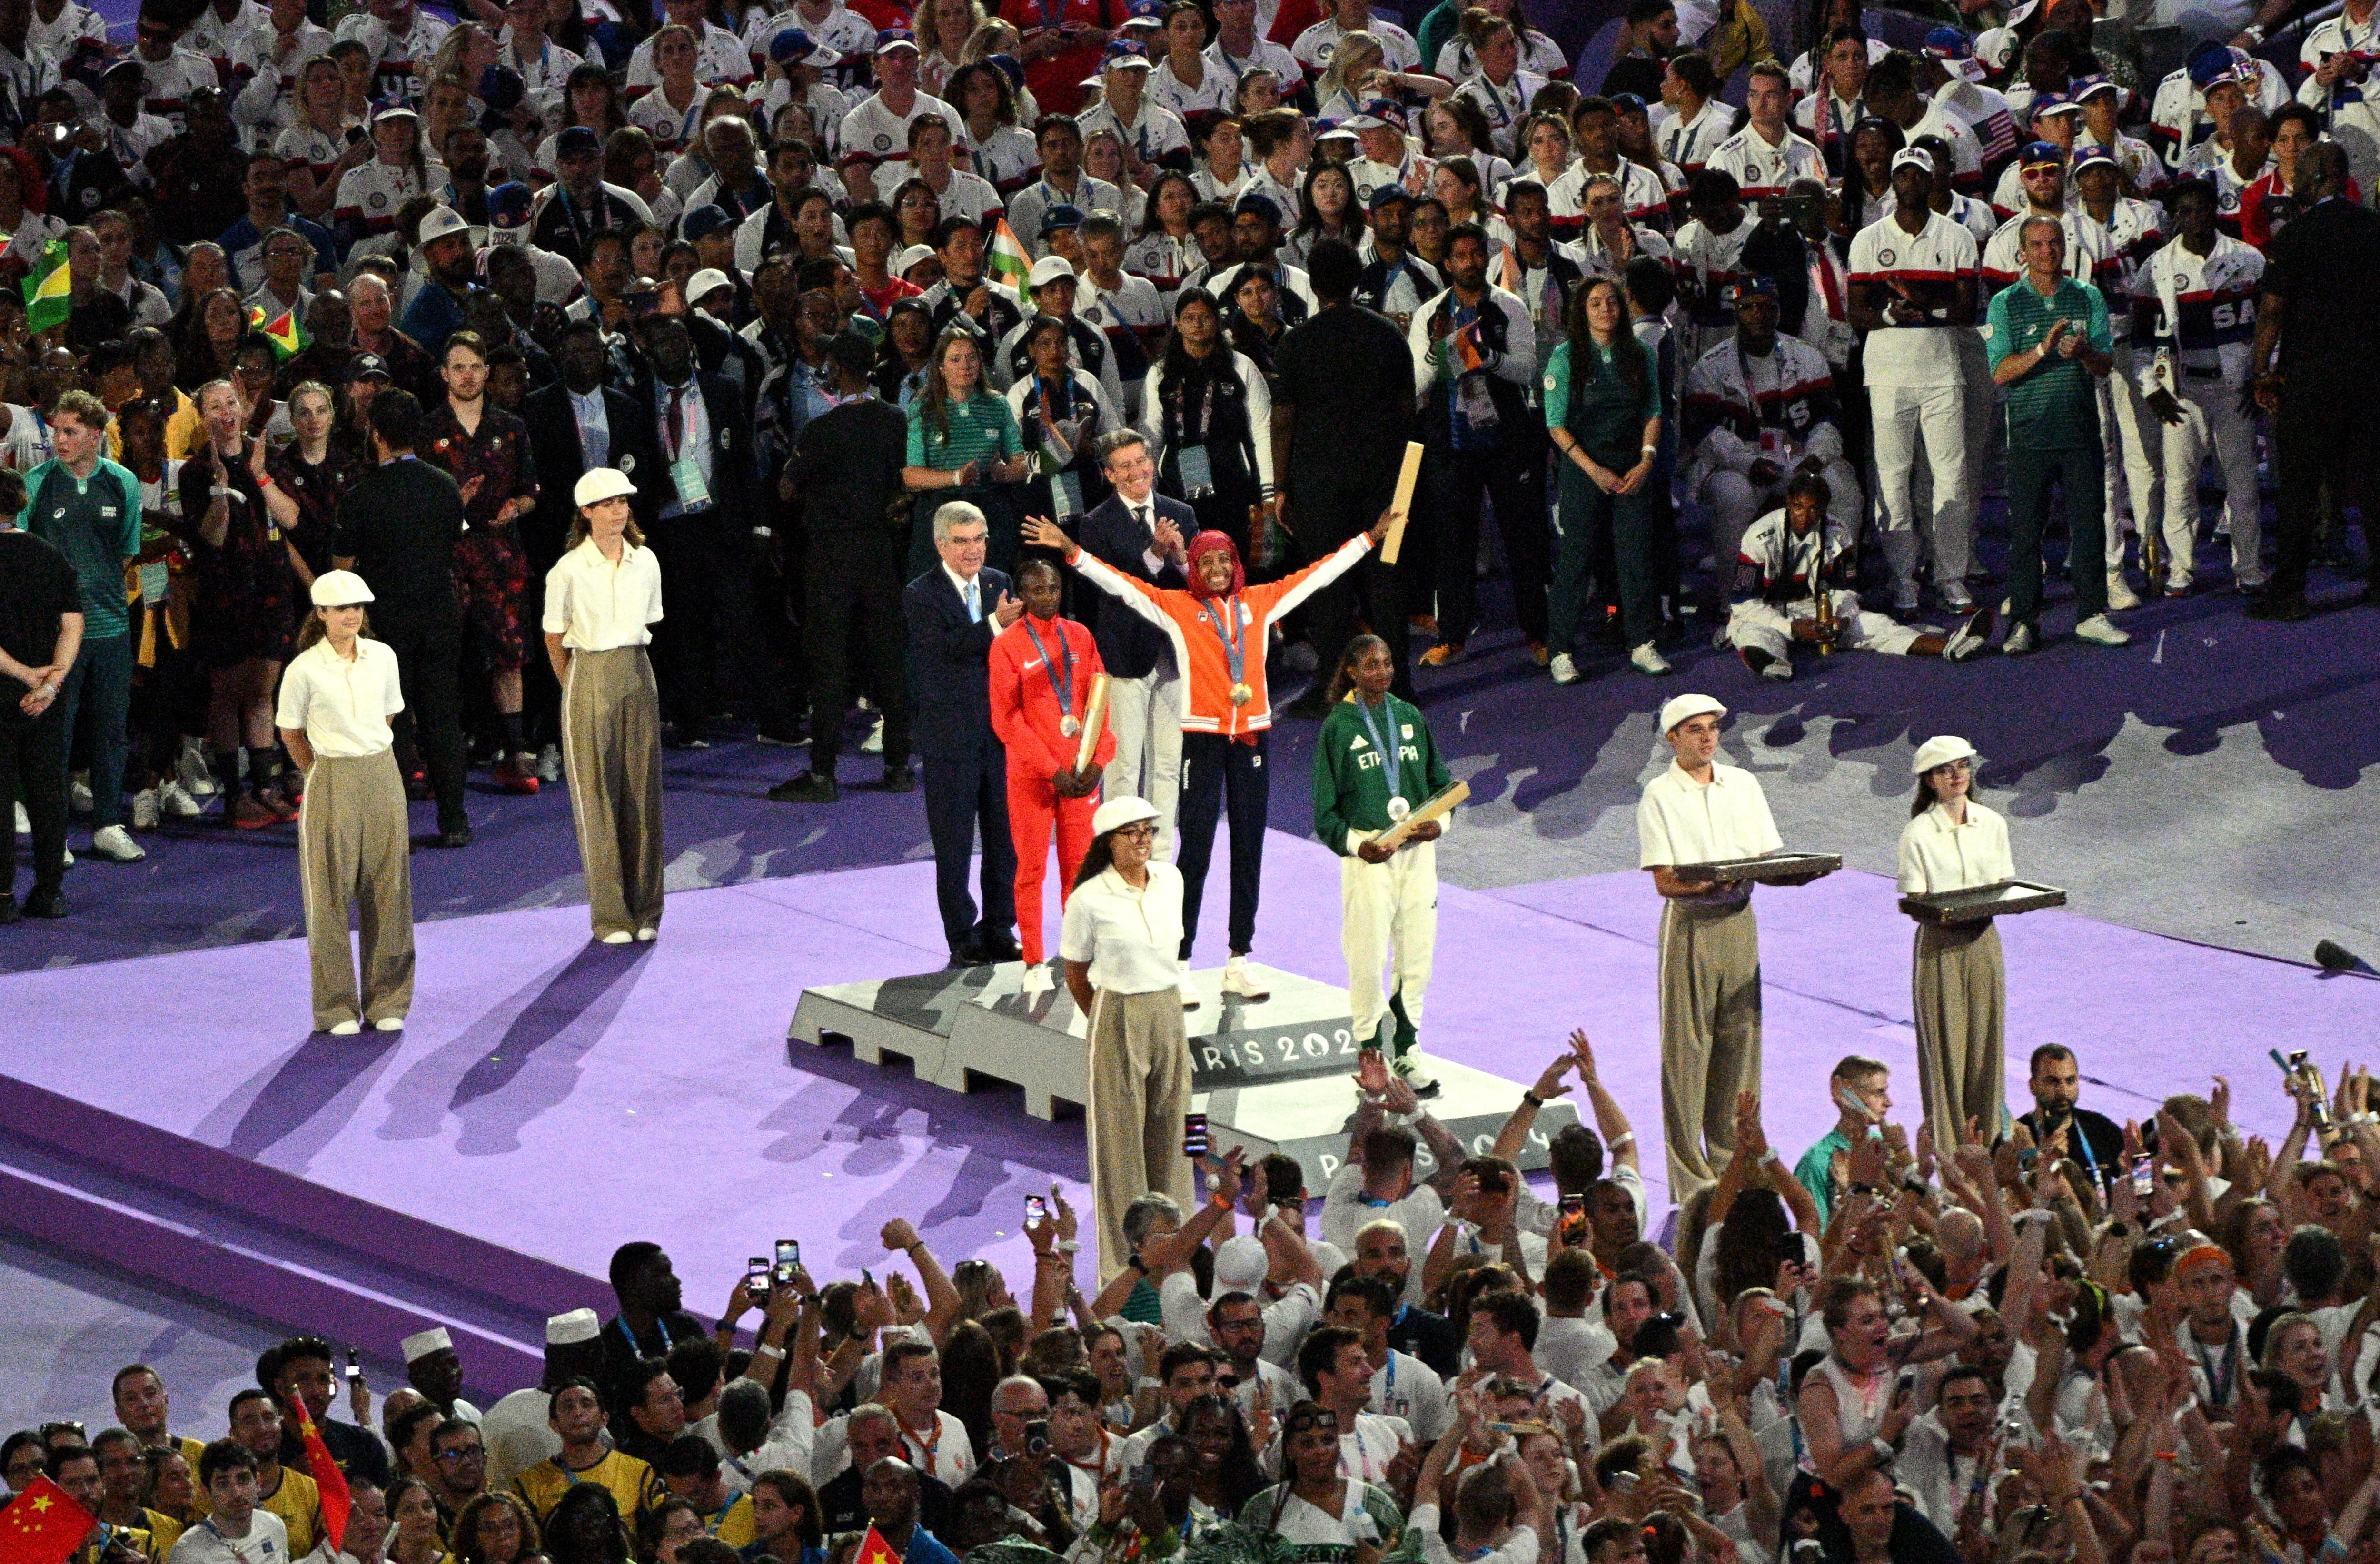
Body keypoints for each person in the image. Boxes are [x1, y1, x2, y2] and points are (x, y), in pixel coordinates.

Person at [1024, 504, 1396, 1002]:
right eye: (1206, 564)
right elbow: (1121, 584)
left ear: (1235, 564)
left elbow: (1317, 575)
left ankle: (1238, 959)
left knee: (1248, 849)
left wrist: (1368, 540)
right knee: (1193, 850)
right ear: (1193, 569)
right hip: (1201, 740)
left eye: (1224, 561)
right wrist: (1071, 552)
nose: (1217, 571)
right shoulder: (1177, 608)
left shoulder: (1261, 602)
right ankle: (1179, 961)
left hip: (1252, 738)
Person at [1637, 693, 1827, 1200]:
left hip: (1740, 921)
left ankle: (1733, 1164)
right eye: (1694, 729)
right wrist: (1702, 888)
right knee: (1687, 1051)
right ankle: (1690, 1180)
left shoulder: (1742, 785)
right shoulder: (1658, 794)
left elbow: (1764, 863)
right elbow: (1663, 881)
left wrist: (1796, 876)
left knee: (1741, 1044)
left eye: (1713, 728)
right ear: (1672, 738)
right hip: (1691, 927)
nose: (1707, 737)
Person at [771, 328, 915, 804]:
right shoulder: (896, 421)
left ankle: (822, 775)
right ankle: (897, 767)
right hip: (881, 554)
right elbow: (907, 481)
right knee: (891, 659)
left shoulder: (821, 430)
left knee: (829, 663)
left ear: (835, 370)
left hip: (831, 558)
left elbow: (787, 489)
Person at [1272, 239, 1416, 707]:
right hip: (1385, 481)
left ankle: (1335, 693)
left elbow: (1283, 420)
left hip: (1318, 484)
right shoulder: (1387, 335)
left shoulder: (1295, 343)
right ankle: (1398, 688)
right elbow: (1406, 411)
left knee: (1329, 587)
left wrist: (1278, 488)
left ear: (1312, 285)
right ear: (1358, 279)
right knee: (1388, 584)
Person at [274, 568, 414, 1035]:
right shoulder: (304, 669)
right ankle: (335, 1007)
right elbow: (290, 731)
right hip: (330, 776)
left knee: (388, 889)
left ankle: (387, 1000)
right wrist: (322, 769)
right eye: (341, 609)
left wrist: (365, 753)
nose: (351, 615)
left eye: (357, 607)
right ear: (321, 614)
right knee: (329, 895)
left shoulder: (384, 657)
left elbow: (389, 714)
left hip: (381, 771)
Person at [1057, 794, 1192, 1277]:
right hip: (1117, 1012)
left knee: (1175, 1133)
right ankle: (1121, 1271)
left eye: (1148, 831)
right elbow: (1076, 972)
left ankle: (1179, 1257)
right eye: (1131, 833)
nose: (1142, 841)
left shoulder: (1171, 880)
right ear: (1107, 842)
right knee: (1119, 1147)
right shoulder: (1088, 898)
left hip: (1168, 1009)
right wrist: (1103, 1024)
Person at [332, 389, 473, 849]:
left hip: (387, 622)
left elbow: (342, 571)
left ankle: (393, 827)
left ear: (375, 433)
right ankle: (454, 821)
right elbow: (454, 542)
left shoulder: (361, 496)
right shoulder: (445, 486)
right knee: (442, 716)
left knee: (391, 721)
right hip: (439, 612)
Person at [1312, 632, 1451, 1094]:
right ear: (1351, 671)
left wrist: (1440, 823)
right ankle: (1370, 1052)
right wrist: (1358, 845)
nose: (1383, 672)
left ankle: (1407, 1049)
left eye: (1388, 663)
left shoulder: (1409, 717)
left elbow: (1440, 785)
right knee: (1368, 958)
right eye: (1371, 665)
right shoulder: (1338, 727)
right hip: (1368, 862)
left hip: (1416, 857)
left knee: (1417, 957)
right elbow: (1324, 813)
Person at [2248, 142, 2380, 620]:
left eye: (2302, 169)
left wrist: (2260, 369)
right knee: (2372, 480)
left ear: (2324, 173)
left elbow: (2272, 310)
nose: (2294, 177)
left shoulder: (2295, 235)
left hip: (2309, 378)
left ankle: (2288, 593)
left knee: (2299, 486)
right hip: (2369, 376)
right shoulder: (2373, 228)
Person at [1986, 214, 2130, 653]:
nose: (2047, 252)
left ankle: (2091, 615)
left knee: (2089, 528)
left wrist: (2084, 350)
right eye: (2038, 245)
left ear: (2065, 247)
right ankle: (2025, 623)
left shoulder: (2088, 297)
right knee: (2026, 535)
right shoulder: (2005, 303)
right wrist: (2043, 350)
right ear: (2022, 253)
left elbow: (2106, 365)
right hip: (2029, 438)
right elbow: (1999, 373)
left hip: (2081, 432)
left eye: (2054, 243)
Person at [1848, 146, 1978, 616]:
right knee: (1892, 481)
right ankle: (1903, 579)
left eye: (1916, 174)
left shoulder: (1958, 237)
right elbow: (1855, 312)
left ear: (1929, 182)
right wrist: (1888, 313)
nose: (1907, 181)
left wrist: (1923, 308)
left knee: (1950, 481)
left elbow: (1966, 310)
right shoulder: (1866, 240)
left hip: (1943, 374)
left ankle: (1950, 577)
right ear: (1892, 180)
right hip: (1886, 376)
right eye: (1900, 172)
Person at [1408, 221, 1545, 669]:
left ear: (1486, 258)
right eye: (1461, 256)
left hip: (1508, 437)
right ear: (1446, 264)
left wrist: (1487, 359)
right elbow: (1414, 385)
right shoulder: (1429, 313)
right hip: (1449, 439)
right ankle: (1453, 635)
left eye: (1476, 254)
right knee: (1452, 541)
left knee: (1523, 536)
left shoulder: (1510, 307)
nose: (1470, 263)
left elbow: (1528, 372)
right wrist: (1438, 356)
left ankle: (1539, 632)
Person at [543, 468, 666, 947]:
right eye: (608, 503)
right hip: (588, 672)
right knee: (597, 799)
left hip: (638, 672)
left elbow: (650, 619)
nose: (619, 511)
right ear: (587, 513)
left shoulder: (647, 562)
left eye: (623, 502)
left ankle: (647, 907)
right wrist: (576, 687)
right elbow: (554, 639)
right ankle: (610, 916)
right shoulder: (568, 570)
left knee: (643, 792)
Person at [20, 390, 144, 866]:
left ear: (96, 435)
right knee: (58, 732)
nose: (60, 440)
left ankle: (109, 824)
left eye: (71, 431)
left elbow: (127, 551)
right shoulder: (35, 483)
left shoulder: (124, 483)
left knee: (112, 729)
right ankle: (54, 831)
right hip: (55, 636)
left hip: (112, 626)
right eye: (56, 430)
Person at [989, 557, 1115, 995]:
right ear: (1022, 597)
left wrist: (1100, 761)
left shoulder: (1080, 636)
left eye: (1055, 589)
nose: (1048, 597)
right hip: (1033, 779)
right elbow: (1007, 721)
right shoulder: (1007, 645)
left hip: (1079, 778)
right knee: (1032, 868)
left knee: (1080, 871)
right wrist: (1051, 770)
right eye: (1039, 591)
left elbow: (1100, 703)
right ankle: (1035, 960)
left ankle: (1077, 956)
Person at [1725, 473, 1989, 680]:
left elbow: (1847, 590)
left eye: (1814, 509)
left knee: (1878, 625)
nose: (1805, 516)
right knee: (1753, 633)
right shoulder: (1759, 536)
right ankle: (1772, 662)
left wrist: (1842, 619)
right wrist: (1790, 628)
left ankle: (1949, 646)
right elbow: (1743, 602)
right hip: (1769, 611)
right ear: (1788, 503)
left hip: (1818, 612)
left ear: (1825, 508)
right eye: (1798, 507)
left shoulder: (1838, 532)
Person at [907, 500, 1023, 968]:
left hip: (999, 738)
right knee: (954, 845)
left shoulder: (999, 582)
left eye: (979, 539)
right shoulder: (921, 593)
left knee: (1005, 841)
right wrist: (996, 625)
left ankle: (999, 927)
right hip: (949, 739)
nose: (973, 550)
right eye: (962, 541)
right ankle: (961, 936)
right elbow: (945, 651)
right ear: (940, 545)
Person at [2139, 179, 2265, 599]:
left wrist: (2262, 378)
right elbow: (2136, 334)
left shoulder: (2248, 259)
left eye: (2201, 210)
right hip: (2183, 391)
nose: (2194, 220)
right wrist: (2151, 387)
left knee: (2243, 482)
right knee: (2180, 484)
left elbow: (2272, 324)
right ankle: (2181, 569)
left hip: (2236, 390)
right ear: (2175, 217)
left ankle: (2249, 568)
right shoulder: (2157, 266)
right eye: (2185, 212)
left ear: (2215, 210)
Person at [1075, 430, 1190, 859]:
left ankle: (1159, 854)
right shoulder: (1095, 524)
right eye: (1124, 465)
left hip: (1174, 656)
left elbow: (1196, 588)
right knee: (1124, 764)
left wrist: (1179, 558)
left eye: (1142, 461)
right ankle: (1118, 850)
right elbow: (1114, 591)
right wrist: (1155, 555)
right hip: (1123, 658)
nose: (1138, 471)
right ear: (1109, 474)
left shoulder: (1182, 513)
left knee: (1167, 763)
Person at [1544, 275, 1665, 683]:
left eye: (1612, 302)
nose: (1605, 310)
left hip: (1632, 468)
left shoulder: (1641, 353)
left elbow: (1653, 409)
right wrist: (1594, 470)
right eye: (1595, 303)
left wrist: (1646, 461)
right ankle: (1560, 650)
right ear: (1582, 310)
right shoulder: (1565, 356)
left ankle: (1643, 643)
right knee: (1576, 558)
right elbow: (1556, 425)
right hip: (1584, 470)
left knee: (1636, 555)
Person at [1896, 734, 2013, 1151]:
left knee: (1987, 1050)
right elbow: (1915, 899)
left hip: (1984, 943)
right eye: (1946, 770)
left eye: (1962, 766)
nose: (1956, 775)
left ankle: (1991, 1148)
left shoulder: (1993, 823)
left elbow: (2003, 885)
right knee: (1946, 1056)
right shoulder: (1918, 833)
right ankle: (1949, 1156)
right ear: (1929, 780)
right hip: (1941, 948)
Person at [0, 466, 79, 922]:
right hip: (47, 700)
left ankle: (3, 899)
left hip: (4, 693)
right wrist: (50, 684)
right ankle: (50, 893)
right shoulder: (50, 555)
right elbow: (73, 625)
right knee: (48, 792)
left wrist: (26, 676)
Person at [2010, 1043, 2123, 1188]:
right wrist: (2040, 1163)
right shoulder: (2014, 1138)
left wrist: (2139, 1158)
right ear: (2033, 1086)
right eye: (2053, 1082)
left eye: (2070, 1081)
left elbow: (2142, 1191)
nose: (2064, 1091)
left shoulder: (2101, 1129)